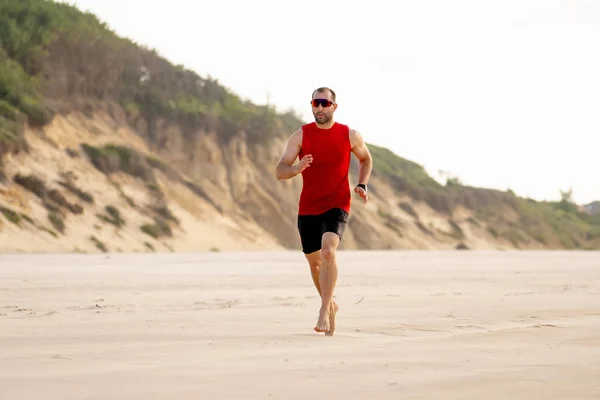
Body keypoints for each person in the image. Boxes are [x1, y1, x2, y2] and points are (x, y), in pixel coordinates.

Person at [275, 86, 373, 336]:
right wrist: (296, 169)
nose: (319, 108)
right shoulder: (300, 135)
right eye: (315, 103)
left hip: (338, 203)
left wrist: (361, 183)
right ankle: (331, 305)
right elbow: (280, 170)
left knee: (329, 251)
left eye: (324, 103)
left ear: (334, 107)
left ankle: (322, 309)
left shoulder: (349, 135)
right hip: (308, 206)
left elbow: (365, 159)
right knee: (315, 263)